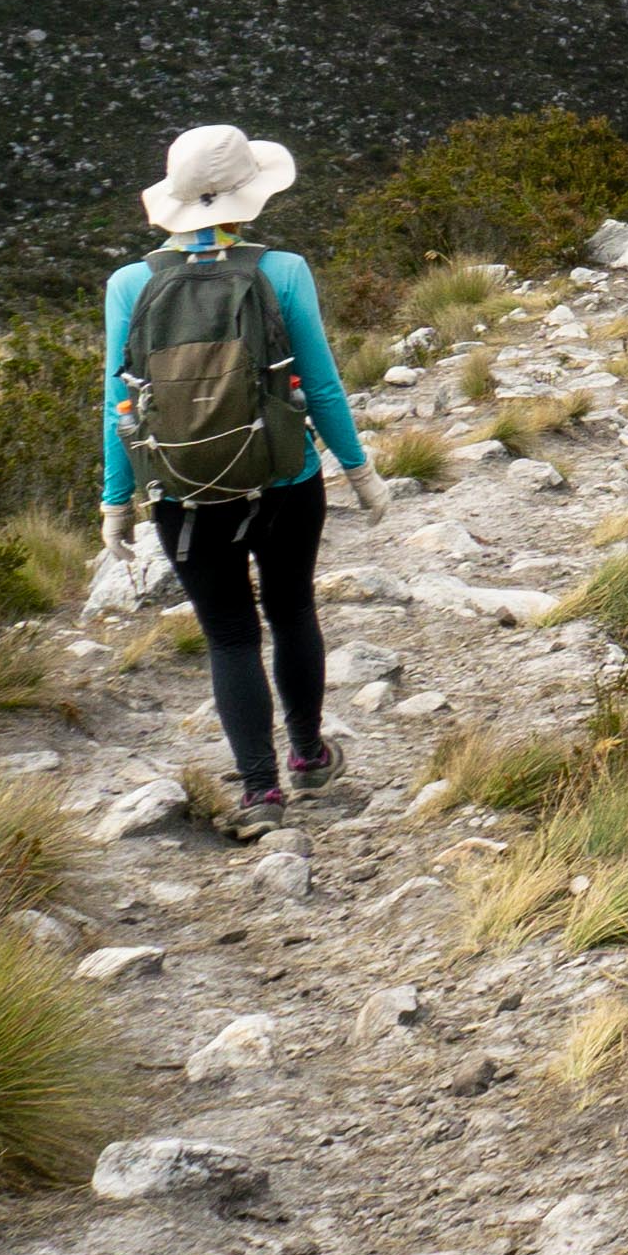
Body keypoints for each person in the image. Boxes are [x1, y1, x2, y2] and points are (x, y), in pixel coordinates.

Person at [101, 124, 381, 817]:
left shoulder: (128, 284)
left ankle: (259, 790)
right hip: (283, 478)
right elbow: (320, 386)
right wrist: (358, 468)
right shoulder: (281, 271)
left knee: (228, 634)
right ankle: (310, 756)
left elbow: (121, 402)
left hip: (182, 492)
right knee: (291, 612)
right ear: (247, 196)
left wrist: (117, 501)